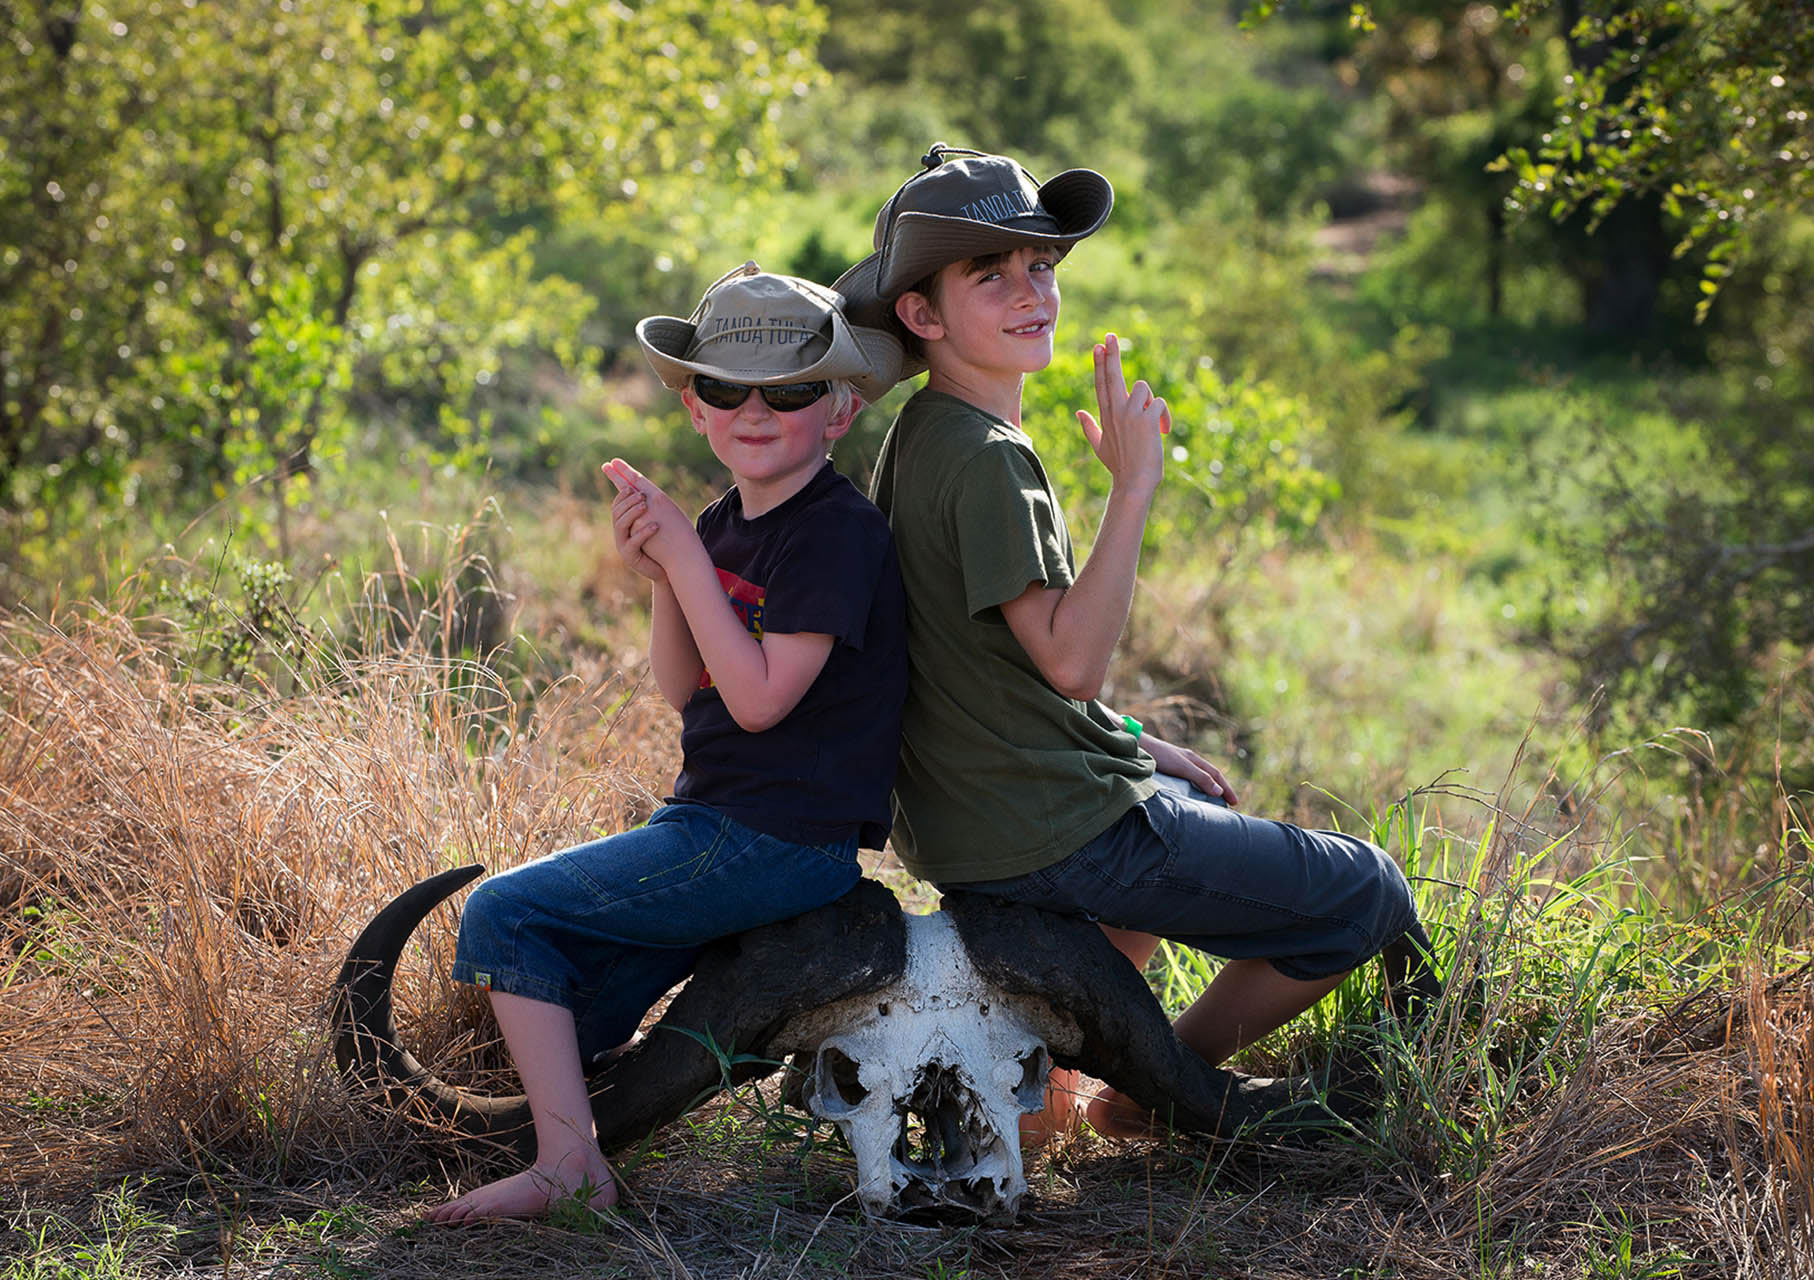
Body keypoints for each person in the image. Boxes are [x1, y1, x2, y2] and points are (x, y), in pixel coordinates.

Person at [832, 144, 1423, 1138]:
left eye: (1044, 267)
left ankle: (1052, 1106)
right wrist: (1134, 489)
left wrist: (1136, 744)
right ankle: (1158, 1086)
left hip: (971, 812)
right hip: (1046, 828)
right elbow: (1069, 659)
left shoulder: (925, 431)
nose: (1035, 293)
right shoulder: (985, 460)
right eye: (993, 275)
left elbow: (995, 671)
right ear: (922, 316)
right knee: (1367, 890)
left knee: (1183, 792)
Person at [427, 262, 908, 1222]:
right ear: (696, 408)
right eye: (728, 390)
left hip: (781, 833)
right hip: (719, 816)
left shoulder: (836, 534)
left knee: (504, 919)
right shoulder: (730, 520)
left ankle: (571, 1169)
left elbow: (764, 700)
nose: (756, 411)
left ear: (839, 412)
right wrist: (664, 571)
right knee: (579, 993)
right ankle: (556, 1131)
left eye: (792, 391)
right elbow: (684, 686)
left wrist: (686, 558)